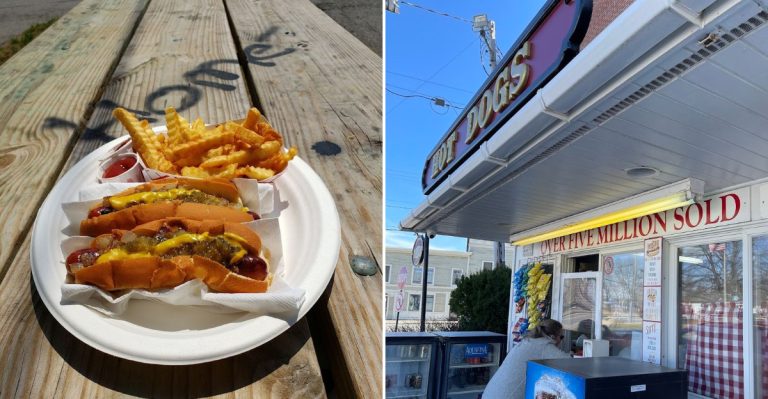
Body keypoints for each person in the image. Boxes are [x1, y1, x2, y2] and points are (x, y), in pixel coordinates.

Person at [482, 319, 570, 399]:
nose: (561, 341)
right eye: (561, 337)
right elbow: (570, 362)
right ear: (552, 336)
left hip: (489, 393)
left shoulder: (527, 342)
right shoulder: (544, 345)